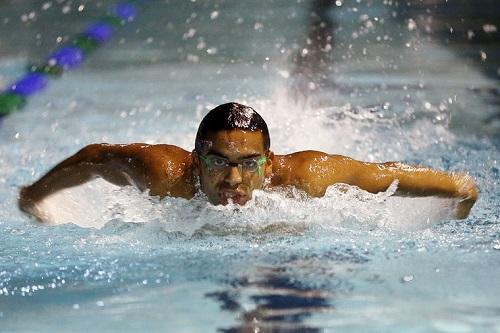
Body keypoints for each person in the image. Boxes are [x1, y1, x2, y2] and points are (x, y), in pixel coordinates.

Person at [19, 102, 478, 221]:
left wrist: (458, 188)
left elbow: (384, 175)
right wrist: (35, 196)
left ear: (268, 160)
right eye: (217, 161)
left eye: (248, 163)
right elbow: (95, 157)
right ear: (196, 157)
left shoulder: (302, 177)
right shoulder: (163, 173)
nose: (233, 178)